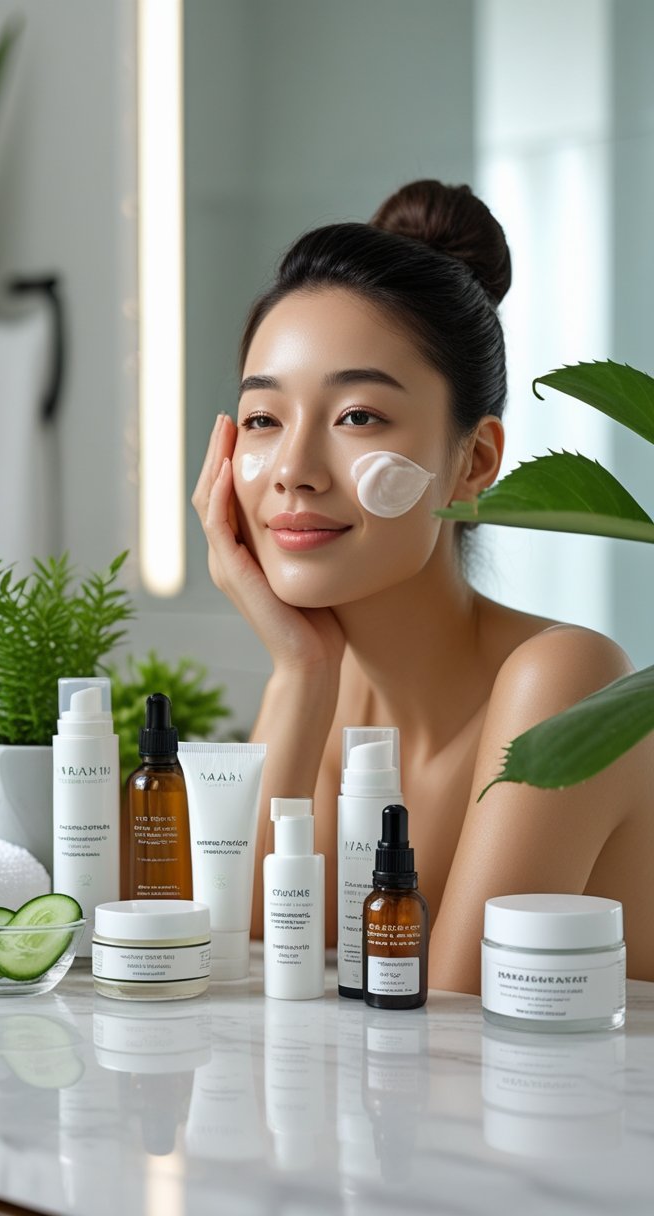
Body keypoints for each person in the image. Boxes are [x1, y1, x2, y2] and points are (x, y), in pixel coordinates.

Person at [193, 179, 654, 994]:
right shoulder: (318, 692)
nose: (293, 471)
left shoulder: (565, 682)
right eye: (263, 420)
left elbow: (447, 1032)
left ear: (474, 462)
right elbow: (241, 967)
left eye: (358, 417)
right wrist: (299, 672)